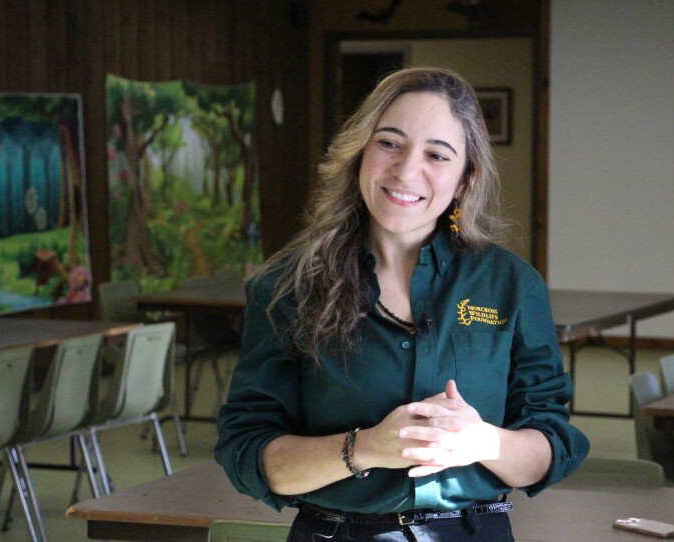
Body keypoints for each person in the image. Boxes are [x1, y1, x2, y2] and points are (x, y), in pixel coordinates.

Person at [215, 66, 589, 542]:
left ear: (464, 182)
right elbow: (250, 454)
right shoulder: (287, 286)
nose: (407, 169)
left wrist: (482, 441)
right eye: (389, 143)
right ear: (360, 153)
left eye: (437, 154)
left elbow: (551, 444)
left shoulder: (512, 285)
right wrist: (365, 448)